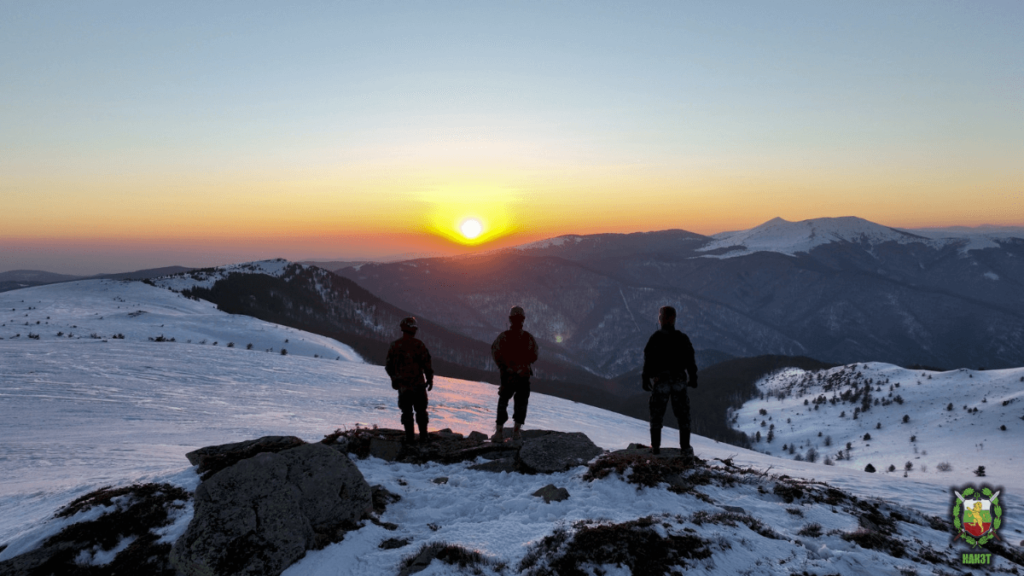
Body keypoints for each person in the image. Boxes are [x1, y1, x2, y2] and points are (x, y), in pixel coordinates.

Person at [641, 306, 698, 457]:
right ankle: (685, 449)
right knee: (683, 416)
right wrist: (693, 377)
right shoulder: (682, 338)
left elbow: (648, 359)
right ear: (674, 319)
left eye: (660, 316)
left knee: (656, 416)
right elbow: (690, 359)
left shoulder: (655, 338)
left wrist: (646, 377)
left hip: (661, 382)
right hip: (679, 381)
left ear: (662, 319)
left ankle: (655, 449)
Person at [491, 305, 539, 442]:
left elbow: (495, 352)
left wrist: (504, 366)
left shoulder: (504, 337)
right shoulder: (528, 338)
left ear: (510, 319)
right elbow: (534, 356)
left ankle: (499, 433)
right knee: (521, 404)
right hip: (523, 376)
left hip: (508, 375)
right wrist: (523, 364)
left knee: (503, 401)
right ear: (523, 319)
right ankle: (516, 433)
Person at [385, 317, 434, 444]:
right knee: (421, 412)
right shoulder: (419, 345)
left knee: (407, 413)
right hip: (418, 386)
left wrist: (394, 379)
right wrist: (429, 379)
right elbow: (427, 365)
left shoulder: (395, 345)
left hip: (404, 387)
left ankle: (409, 438)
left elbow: (388, 367)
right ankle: (423, 437)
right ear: (413, 329)